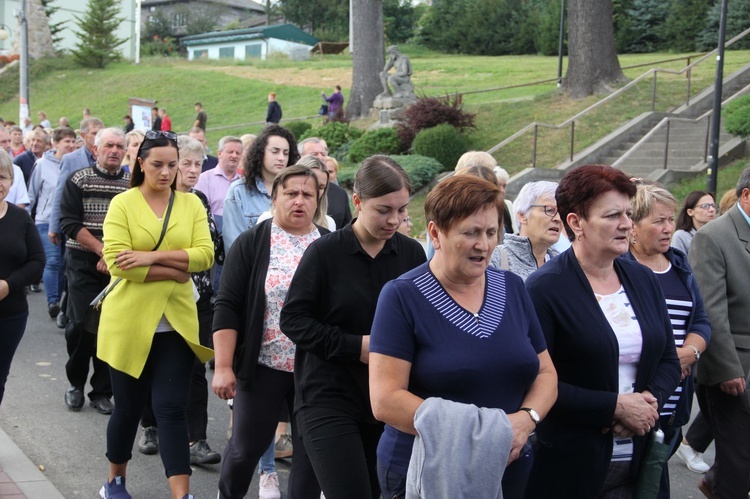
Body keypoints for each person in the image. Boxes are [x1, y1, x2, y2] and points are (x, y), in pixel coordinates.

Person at [369, 175, 557, 498]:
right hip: (424, 471)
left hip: (509, 468)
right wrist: (485, 435)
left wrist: (526, 420)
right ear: (435, 234)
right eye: (470, 232)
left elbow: (546, 373)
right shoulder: (402, 296)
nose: (483, 245)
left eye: (490, 232)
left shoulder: (512, 287)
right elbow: (385, 400)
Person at [524, 164, 680, 498]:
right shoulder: (544, 289)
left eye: (627, 213)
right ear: (575, 223)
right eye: (612, 215)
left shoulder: (642, 279)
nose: (626, 223)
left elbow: (668, 357)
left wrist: (649, 403)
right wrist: (614, 407)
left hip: (640, 458)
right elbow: (537, 380)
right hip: (572, 464)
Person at [280, 155, 426, 499]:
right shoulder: (324, 253)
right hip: (327, 397)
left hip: (391, 401)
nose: (394, 220)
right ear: (357, 202)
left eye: (402, 210)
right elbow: (293, 319)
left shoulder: (411, 255)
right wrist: (355, 346)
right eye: (384, 210)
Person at [96, 130, 213, 499]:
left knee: (171, 409)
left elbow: (205, 255)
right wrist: (177, 270)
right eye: (158, 165)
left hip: (176, 324)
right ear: (141, 163)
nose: (166, 173)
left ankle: (182, 494)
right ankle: (114, 481)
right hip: (128, 323)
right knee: (128, 410)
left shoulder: (191, 204)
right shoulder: (124, 204)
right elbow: (116, 262)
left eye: (172, 165)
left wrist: (150, 257)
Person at [213, 165, 328, 499]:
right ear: (274, 196)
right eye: (291, 193)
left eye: (308, 194)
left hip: (315, 372)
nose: (299, 201)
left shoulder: (329, 244)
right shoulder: (253, 242)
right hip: (263, 365)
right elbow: (228, 305)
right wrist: (223, 366)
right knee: (244, 449)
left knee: (310, 457)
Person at [623, 183, 710, 499]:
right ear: (633, 225)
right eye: (658, 221)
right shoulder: (619, 268)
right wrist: (667, 359)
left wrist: (690, 352)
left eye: (671, 220)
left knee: (653, 483)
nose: (668, 228)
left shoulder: (679, 264)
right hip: (634, 401)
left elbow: (701, 320)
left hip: (674, 404)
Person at [688, 166, 750, 498]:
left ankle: (715, 481)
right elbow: (712, 309)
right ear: (746, 195)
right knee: (738, 462)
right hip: (735, 369)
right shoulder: (714, 236)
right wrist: (727, 367)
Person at [59, 128, 131, 415]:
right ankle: (75, 383)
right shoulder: (79, 179)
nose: (114, 150)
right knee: (80, 324)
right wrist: (102, 250)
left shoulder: (132, 184)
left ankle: (101, 391)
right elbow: (70, 222)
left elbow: (136, 226)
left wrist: (113, 256)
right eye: (109, 145)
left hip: (118, 263)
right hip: (82, 260)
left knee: (110, 328)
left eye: (119, 146)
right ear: (96, 149)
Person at [0, 150, 45, 405]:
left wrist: (9, 284)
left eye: (3, 177)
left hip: (11, 313)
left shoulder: (20, 218)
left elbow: (37, 261)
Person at [27, 127, 78, 319]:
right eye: (67, 141)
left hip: (69, 222)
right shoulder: (42, 164)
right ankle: (53, 301)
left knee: (66, 263)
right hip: (45, 220)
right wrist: (26, 220)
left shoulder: (76, 164)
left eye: (73, 141)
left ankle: (63, 300)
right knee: (53, 261)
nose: (71, 145)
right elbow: (32, 193)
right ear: (55, 144)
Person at [222, 125, 299, 250]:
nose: (281, 158)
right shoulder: (238, 191)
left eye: (286, 153)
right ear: (260, 152)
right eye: (275, 151)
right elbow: (234, 246)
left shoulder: (297, 191)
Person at [489, 181, 561, 280]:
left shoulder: (564, 264)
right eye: (549, 210)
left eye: (561, 212)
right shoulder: (496, 259)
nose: (558, 218)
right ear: (522, 215)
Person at [298, 137, 352, 229]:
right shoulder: (286, 188)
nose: (320, 158)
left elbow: (347, 230)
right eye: (314, 154)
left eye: (323, 154)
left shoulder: (340, 194)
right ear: (299, 157)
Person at [672, 191, 716, 255]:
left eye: (713, 205)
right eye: (705, 206)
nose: (712, 210)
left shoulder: (718, 234)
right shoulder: (681, 237)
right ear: (690, 212)